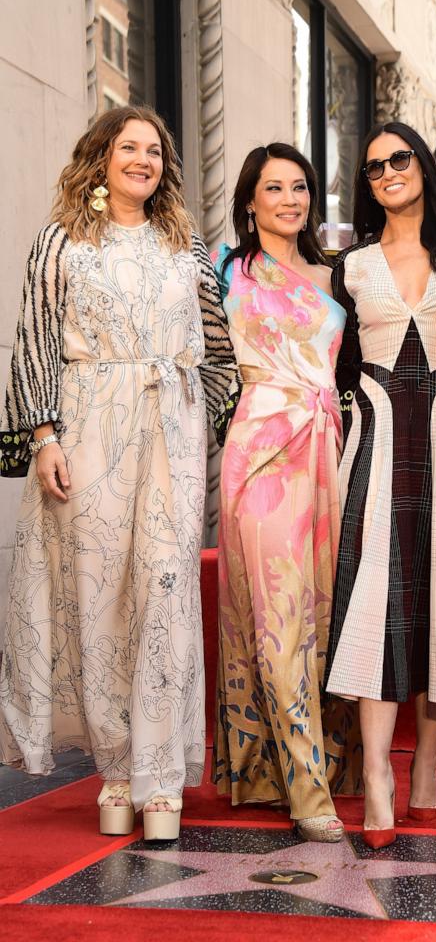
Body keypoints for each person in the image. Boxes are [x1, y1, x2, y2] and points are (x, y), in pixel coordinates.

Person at [0, 106, 238, 841]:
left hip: (169, 430)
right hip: (88, 428)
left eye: (155, 150)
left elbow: (220, 345)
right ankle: (117, 770)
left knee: (164, 593)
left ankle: (161, 778)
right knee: (99, 602)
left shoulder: (185, 244)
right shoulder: (61, 242)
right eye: (129, 147)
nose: (144, 159)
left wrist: (209, 417)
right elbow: (33, 340)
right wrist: (44, 437)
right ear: (99, 157)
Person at [324, 122, 436, 850]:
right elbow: (329, 365)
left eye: (399, 159)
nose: (388, 172)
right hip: (373, 445)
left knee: (435, 608)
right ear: (365, 184)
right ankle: (375, 775)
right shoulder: (350, 265)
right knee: (375, 603)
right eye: (373, 168)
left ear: (422, 166)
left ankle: (425, 760)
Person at [212, 143, 361, 843]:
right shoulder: (223, 269)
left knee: (324, 613)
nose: (289, 199)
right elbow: (204, 362)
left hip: (327, 453)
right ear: (250, 200)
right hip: (259, 451)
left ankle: (312, 766)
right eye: (273, 188)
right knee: (275, 617)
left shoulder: (338, 276)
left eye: (299, 186)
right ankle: (305, 789)